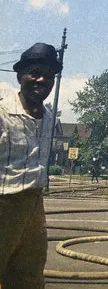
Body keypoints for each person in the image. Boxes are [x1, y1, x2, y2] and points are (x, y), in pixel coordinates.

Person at [0, 42, 62, 288]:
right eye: (34, 73)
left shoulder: (48, 117)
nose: (41, 80)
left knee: (29, 276)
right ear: (20, 76)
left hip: (34, 206)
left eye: (48, 76)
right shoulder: (3, 112)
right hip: (4, 203)